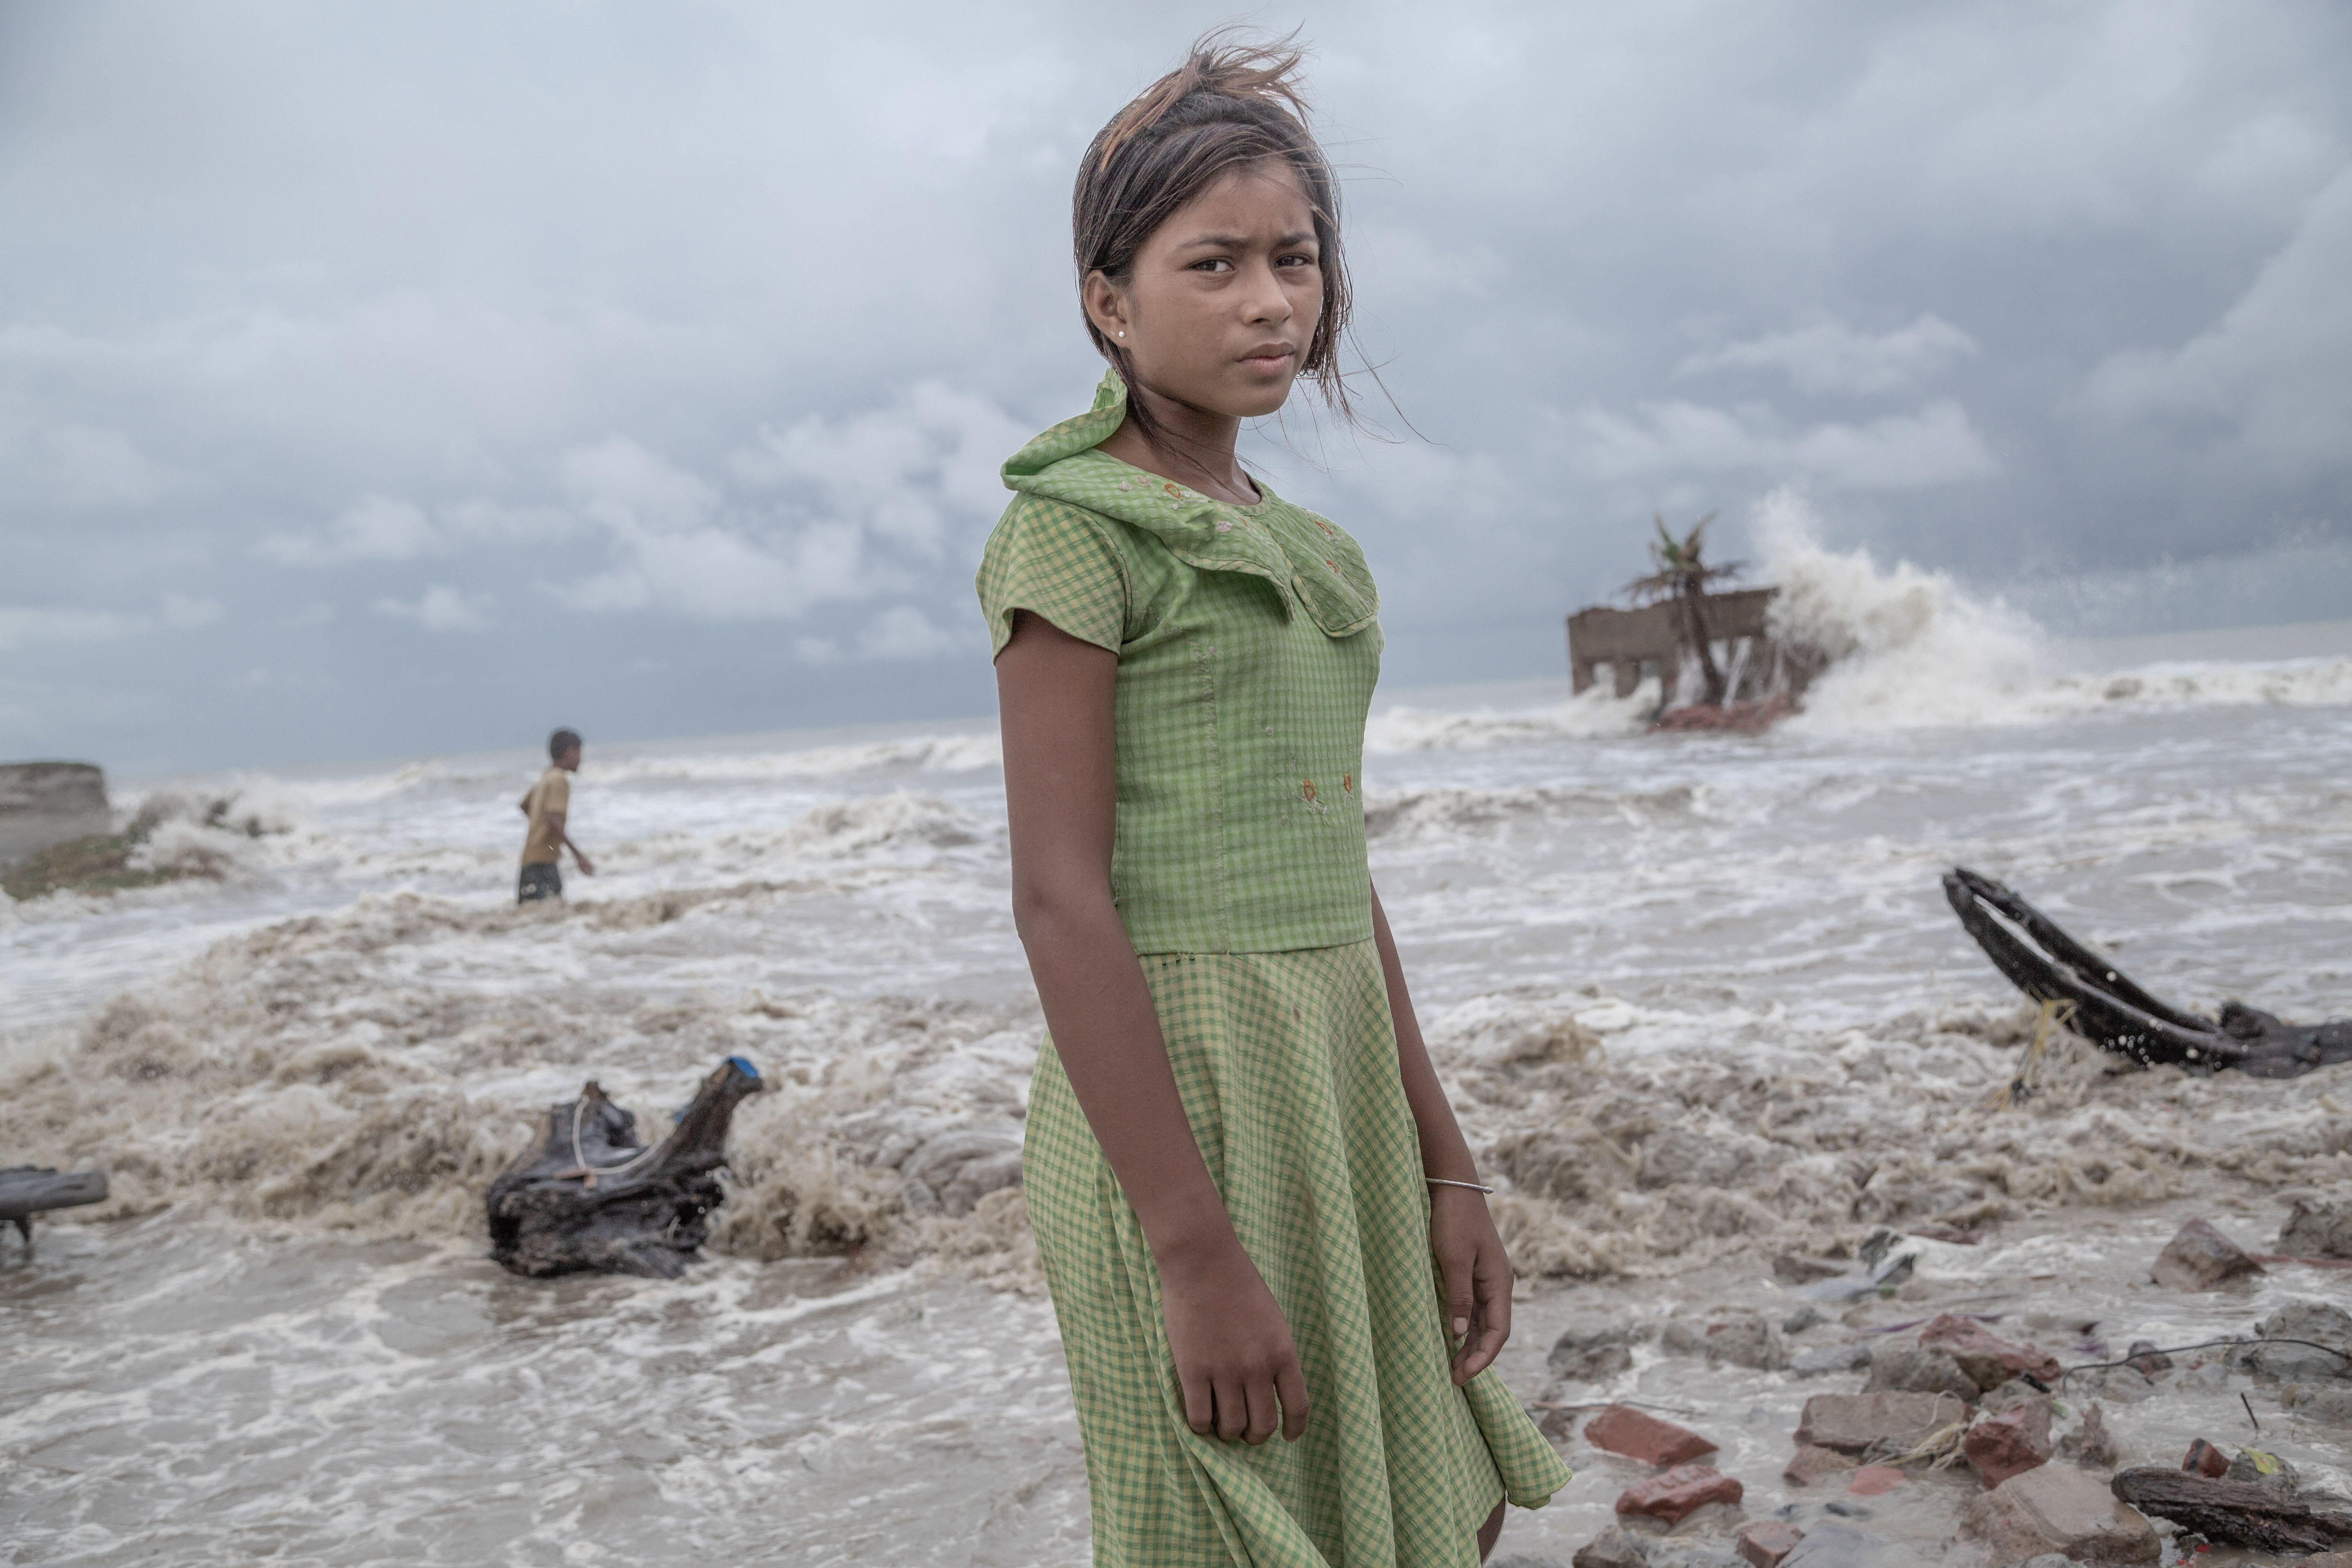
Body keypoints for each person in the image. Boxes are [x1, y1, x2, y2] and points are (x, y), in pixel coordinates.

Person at [976, 34, 1569, 1568]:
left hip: (1338, 1086)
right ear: (1109, 302)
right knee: (1223, 1521)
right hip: (1181, 1104)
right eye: (1213, 263)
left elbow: (1334, 871)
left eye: (1293, 260)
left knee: (1435, 1487)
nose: (1268, 301)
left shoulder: (1314, 555)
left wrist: (1446, 1163)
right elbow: (1058, 897)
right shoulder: (1076, 540)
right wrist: (1188, 1249)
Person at [517, 728, 593, 902]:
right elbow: (553, 820)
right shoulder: (559, 780)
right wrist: (579, 856)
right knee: (553, 913)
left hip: (530, 861)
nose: (581, 758)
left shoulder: (546, 777)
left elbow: (525, 806)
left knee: (535, 921)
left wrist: (540, 830)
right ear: (569, 752)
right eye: (579, 752)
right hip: (543, 864)